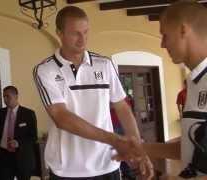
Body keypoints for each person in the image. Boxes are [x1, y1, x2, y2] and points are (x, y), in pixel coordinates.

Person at [33, 6, 153, 180]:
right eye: (75, 33)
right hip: (67, 171)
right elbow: (61, 117)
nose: (82, 40)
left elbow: (122, 108)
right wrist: (114, 140)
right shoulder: (45, 70)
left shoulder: (104, 64)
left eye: (86, 32)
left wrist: (139, 149)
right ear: (59, 33)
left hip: (107, 165)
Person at [143, 0, 207, 178]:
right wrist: (141, 148)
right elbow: (193, 148)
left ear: (183, 30)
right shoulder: (194, 82)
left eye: (165, 35)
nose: (162, 44)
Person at [0, 85, 38, 180]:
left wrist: (18, 143)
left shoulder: (28, 114)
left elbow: (33, 137)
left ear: (16, 96)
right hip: (4, 157)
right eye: (4, 96)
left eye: (8, 96)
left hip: (22, 157)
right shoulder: (0, 113)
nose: (5, 99)